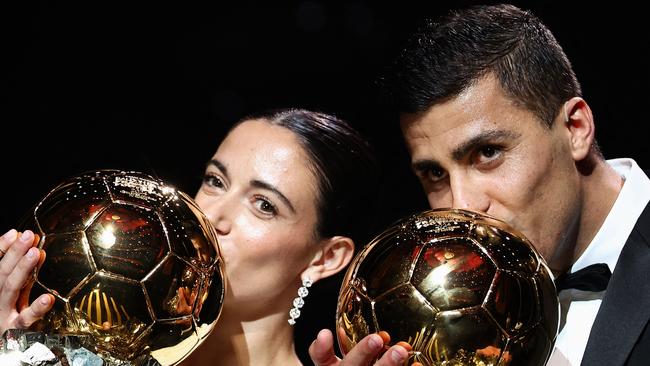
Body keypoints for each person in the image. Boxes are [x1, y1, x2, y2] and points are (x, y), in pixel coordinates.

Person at [310, 4, 650, 366]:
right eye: (436, 175)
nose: (463, 205)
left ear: (575, 129)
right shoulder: (439, 326)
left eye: (487, 153)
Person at [0, 108, 401, 365]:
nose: (212, 217)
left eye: (264, 205)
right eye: (215, 181)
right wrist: (13, 352)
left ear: (325, 258)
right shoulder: (92, 355)